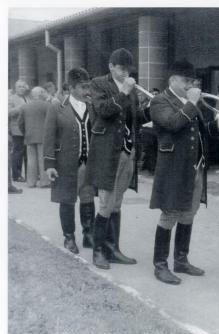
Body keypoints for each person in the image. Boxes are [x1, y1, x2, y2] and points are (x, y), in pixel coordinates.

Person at [149, 59, 219, 285]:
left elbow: (204, 131)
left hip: (194, 166)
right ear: (172, 80)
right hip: (173, 167)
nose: (190, 85)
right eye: (185, 80)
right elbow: (172, 124)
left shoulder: (191, 102)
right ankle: (160, 264)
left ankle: (181, 259)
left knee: (189, 212)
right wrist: (191, 103)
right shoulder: (159, 101)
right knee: (170, 214)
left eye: (192, 81)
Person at [85, 48, 150, 269]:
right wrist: (123, 91)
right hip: (107, 152)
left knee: (117, 203)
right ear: (111, 66)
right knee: (105, 202)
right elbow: (103, 111)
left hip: (127, 151)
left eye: (128, 69)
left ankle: (113, 249)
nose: (125, 72)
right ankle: (98, 252)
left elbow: (133, 117)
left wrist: (150, 109)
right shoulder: (98, 84)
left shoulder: (129, 88)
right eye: (122, 68)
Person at [43, 67, 96, 254]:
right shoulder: (57, 106)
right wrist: (49, 165)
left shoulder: (91, 106)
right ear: (71, 87)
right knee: (67, 200)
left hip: (87, 163)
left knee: (88, 197)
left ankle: (89, 234)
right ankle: (69, 237)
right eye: (83, 87)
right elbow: (48, 137)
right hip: (65, 163)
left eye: (88, 87)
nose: (87, 91)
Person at [18, 86, 51, 188]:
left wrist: (25, 132)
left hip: (29, 135)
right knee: (42, 159)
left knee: (31, 160)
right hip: (43, 136)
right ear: (40, 93)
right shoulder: (47, 105)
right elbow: (51, 121)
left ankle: (31, 182)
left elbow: (20, 123)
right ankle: (44, 182)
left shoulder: (24, 106)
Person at [8, 80, 30, 182]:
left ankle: (28, 174)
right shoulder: (11, 99)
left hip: (27, 129)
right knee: (18, 152)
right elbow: (8, 113)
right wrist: (21, 107)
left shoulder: (27, 98)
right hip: (16, 129)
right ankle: (16, 175)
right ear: (15, 88)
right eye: (19, 86)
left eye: (23, 86)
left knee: (26, 153)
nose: (21, 88)